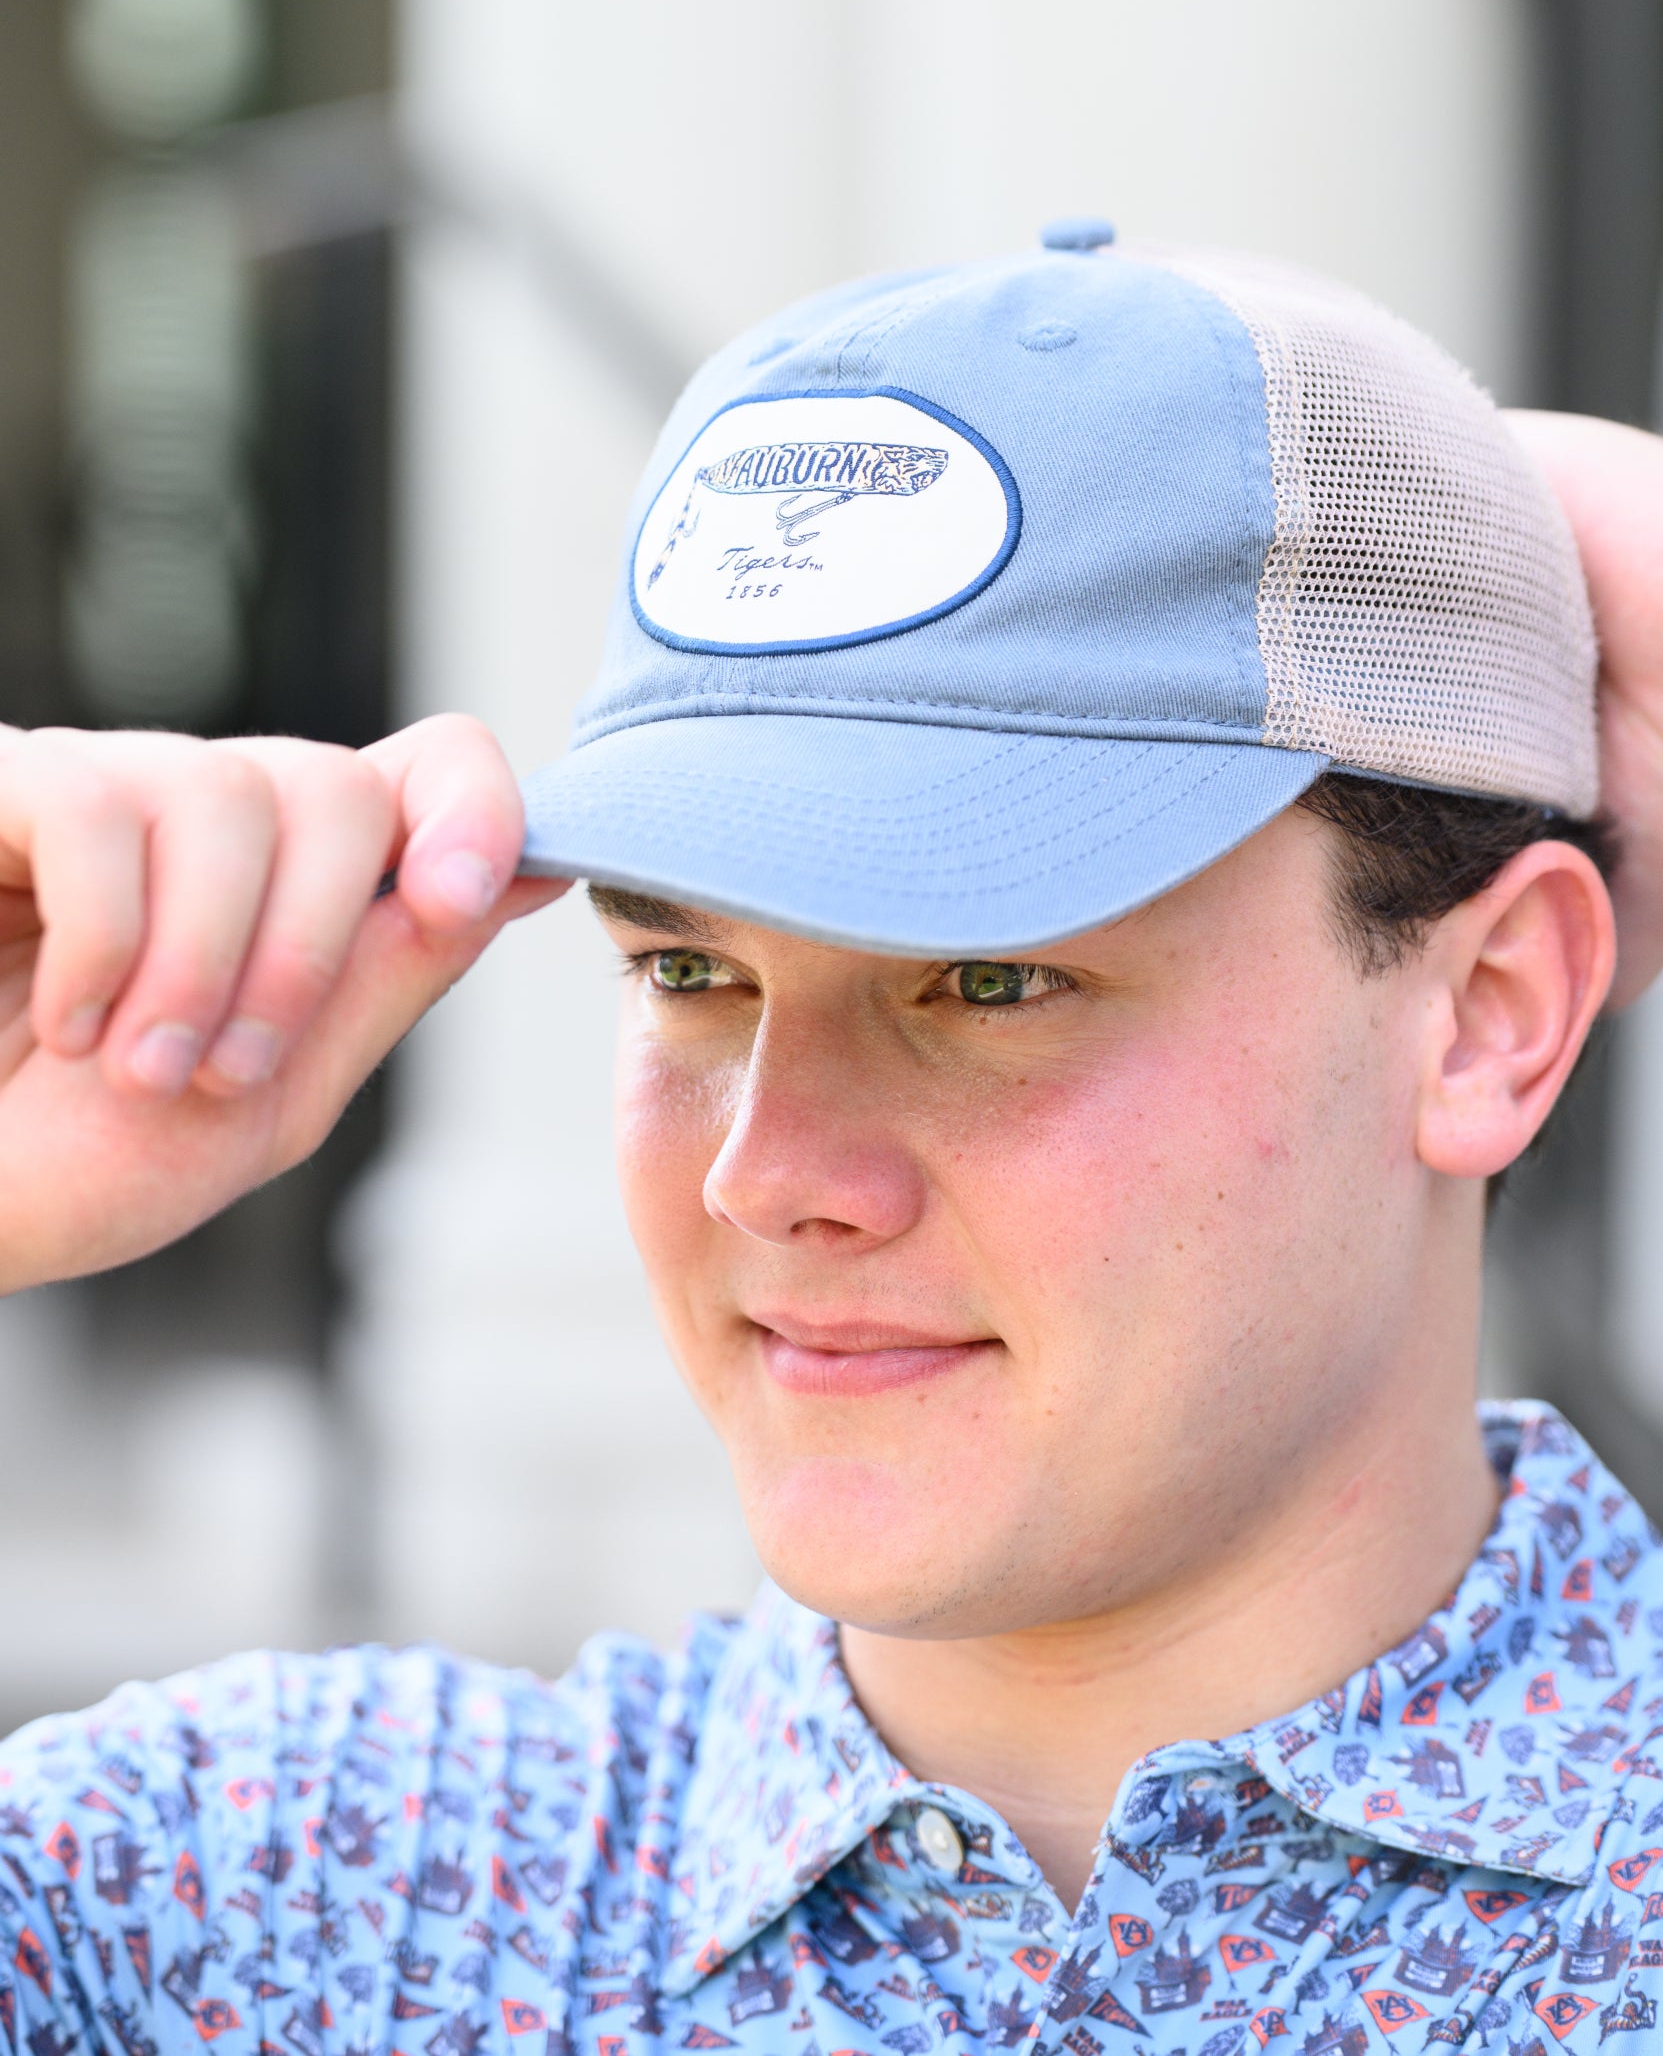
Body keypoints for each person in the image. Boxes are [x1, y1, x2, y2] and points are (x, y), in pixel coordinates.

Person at [1, 231, 1662, 2056]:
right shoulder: (255, 1909)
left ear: (1495, 1005)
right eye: (693, 969)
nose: (767, 1173)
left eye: (991, 982)